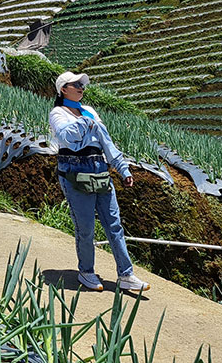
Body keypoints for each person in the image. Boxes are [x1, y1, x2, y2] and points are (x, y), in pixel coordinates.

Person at [48, 71, 149, 293]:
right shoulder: (58, 113)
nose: (81, 88)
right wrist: (86, 122)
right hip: (75, 172)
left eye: (82, 85)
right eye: (76, 85)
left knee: (114, 225)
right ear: (63, 89)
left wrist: (122, 169)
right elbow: (67, 138)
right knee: (85, 228)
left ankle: (126, 274)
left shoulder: (91, 111)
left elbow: (106, 142)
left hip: (99, 169)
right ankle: (86, 271)